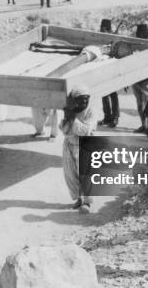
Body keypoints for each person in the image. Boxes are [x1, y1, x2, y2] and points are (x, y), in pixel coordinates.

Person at [59, 85, 96, 214]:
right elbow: (63, 129)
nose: (84, 102)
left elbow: (86, 131)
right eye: (81, 99)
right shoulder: (71, 110)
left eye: (86, 99)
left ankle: (87, 202)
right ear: (75, 100)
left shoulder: (91, 112)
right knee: (71, 174)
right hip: (69, 145)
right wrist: (67, 116)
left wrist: (72, 119)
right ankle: (79, 198)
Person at [98, 19, 119, 127]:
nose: (101, 31)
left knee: (113, 95)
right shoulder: (101, 38)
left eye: (103, 29)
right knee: (104, 95)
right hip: (102, 70)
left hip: (112, 71)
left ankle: (115, 117)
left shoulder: (114, 40)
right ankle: (107, 117)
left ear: (108, 29)